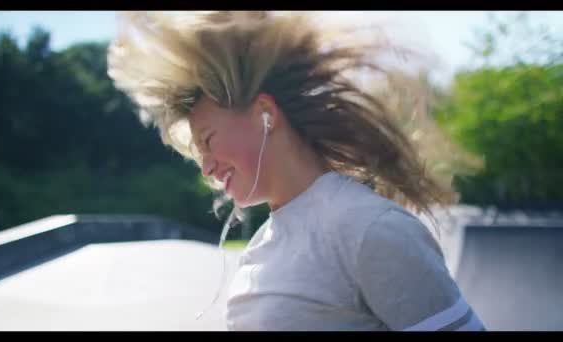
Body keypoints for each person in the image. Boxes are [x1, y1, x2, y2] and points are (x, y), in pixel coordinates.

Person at [107, 11, 485, 331]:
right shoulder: (263, 244)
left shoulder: (370, 228)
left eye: (208, 139)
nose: (205, 165)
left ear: (265, 113)